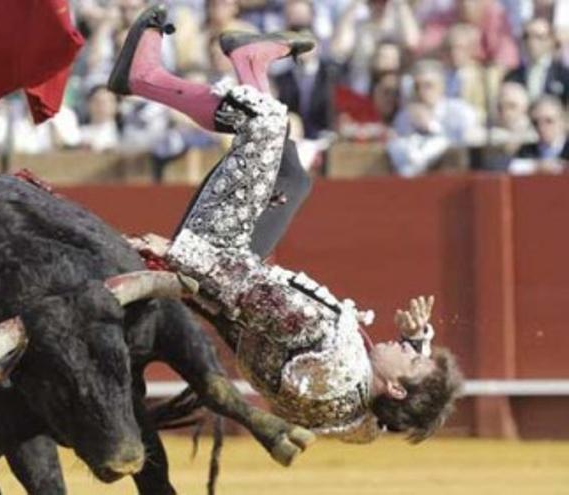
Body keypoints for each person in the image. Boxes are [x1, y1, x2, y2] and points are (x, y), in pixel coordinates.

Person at [111, 4, 462, 445]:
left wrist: (176, 254)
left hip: (217, 256)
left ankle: (145, 78)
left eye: (409, 361)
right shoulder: (361, 420)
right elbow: (397, 412)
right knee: (292, 177)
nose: (402, 347)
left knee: (267, 123)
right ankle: (249, 62)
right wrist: (419, 343)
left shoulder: (324, 342)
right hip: (233, 296)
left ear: (394, 386)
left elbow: (245, 288)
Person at [509, 95, 568, 174]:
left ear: (562, 121)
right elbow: (513, 167)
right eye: (536, 123)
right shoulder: (526, 151)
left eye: (549, 121)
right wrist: (538, 166)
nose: (541, 127)